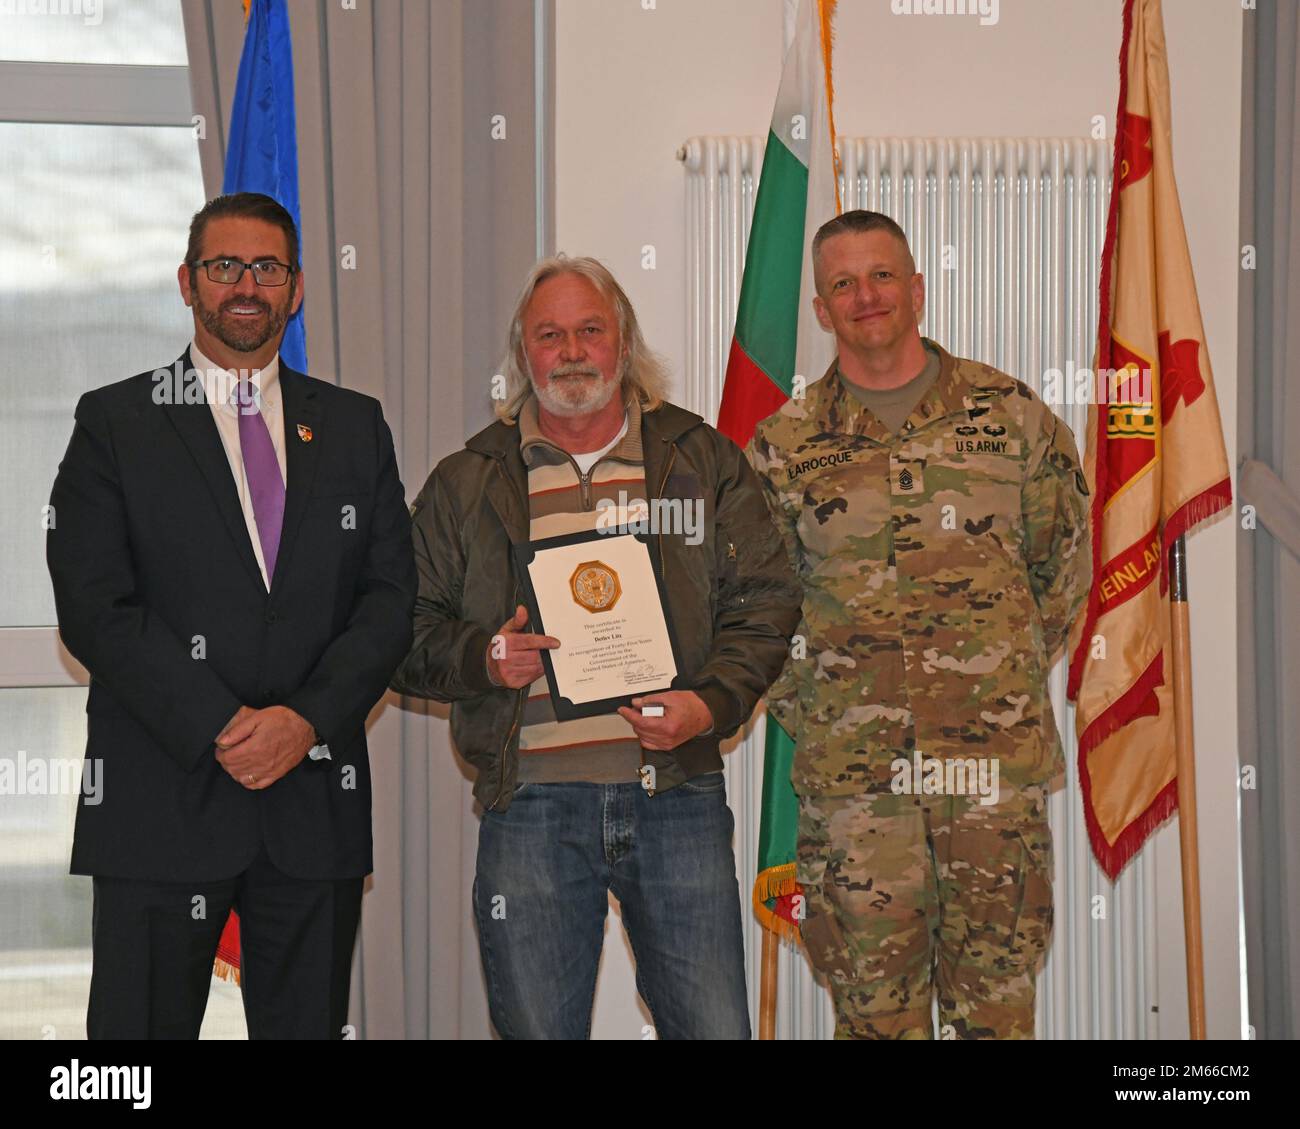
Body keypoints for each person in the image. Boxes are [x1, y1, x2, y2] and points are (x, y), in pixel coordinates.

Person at [390, 255, 801, 1039]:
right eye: (550, 335)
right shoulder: (468, 480)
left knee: (714, 1029)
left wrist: (710, 705)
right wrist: (483, 657)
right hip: (530, 806)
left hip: (675, 794)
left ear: (623, 343)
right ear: (524, 354)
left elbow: (767, 599)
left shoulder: (698, 460)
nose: (572, 351)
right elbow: (400, 626)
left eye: (590, 330)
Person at [47, 192, 416, 1039]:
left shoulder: (355, 427)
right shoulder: (115, 422)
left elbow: (391, 600)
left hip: (311, 808)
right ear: (187, 282)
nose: (246, 286)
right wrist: (221, 722)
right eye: (224, 267)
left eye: (268, 268)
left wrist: (305, 720)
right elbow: (95, 606)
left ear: (297, 290)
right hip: (159, 807)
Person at [747, 210, 1091, 1039]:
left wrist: (988, 676)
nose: (866, 296)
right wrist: (833, 708)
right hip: (857, 791)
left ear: (918, 289)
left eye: (882, 275)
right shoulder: (783, 447)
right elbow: (759, 611)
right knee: (873, 1024)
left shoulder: (1013, 419)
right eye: (842, 284)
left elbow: (1062, 570)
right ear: (822, 311)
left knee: (996, 1017)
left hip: (989, 782)